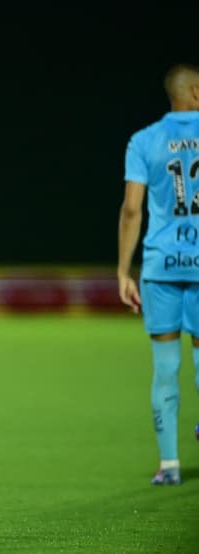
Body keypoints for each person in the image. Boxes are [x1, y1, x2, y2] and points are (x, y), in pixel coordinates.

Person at [118, 62, 199, 486]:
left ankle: (169, 466)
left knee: (165, 365)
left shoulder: (144, 141)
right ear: (198, 93)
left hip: (161, 266)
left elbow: (133, 209)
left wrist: (122, 271)